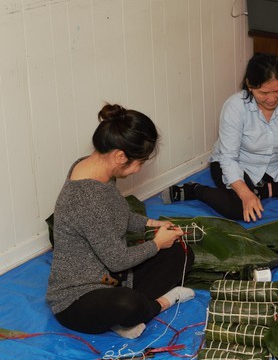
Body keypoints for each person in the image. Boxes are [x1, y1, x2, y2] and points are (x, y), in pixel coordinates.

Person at [47, 103, 196, 339]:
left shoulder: (97, 169)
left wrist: (152, 225)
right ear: (120, 156)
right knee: (128, 304)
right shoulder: (87, 198)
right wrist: (156, 244)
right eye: (139, 162)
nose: (138, 169)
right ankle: (161, 303)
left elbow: (119, 216)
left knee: (180, 253)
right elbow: (117, 260)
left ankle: (124, 318)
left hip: (110, 278)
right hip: (77, 298)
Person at [163, 53, 278, 222]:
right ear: (250, 86)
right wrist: (245, 194)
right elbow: (228, 158)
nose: (272, 99)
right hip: (235, 165)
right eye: (264, 93)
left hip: (274, 166)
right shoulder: (235, 107)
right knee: (239, 209)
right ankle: (197, 190)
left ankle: (264, 190)